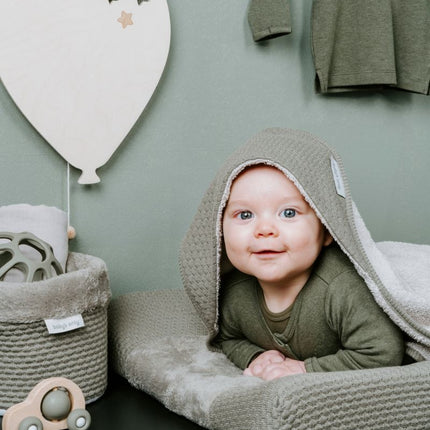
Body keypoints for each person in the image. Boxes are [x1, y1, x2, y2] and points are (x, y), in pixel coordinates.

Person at [213, 152, 404, 381]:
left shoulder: (341, 288)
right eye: (245, 215)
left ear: (325, 230)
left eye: (289, 212)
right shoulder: (235, 294)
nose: (264, 229)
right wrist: (254, 356)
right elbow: (227, 338)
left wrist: (303, 369)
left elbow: (383, 352)